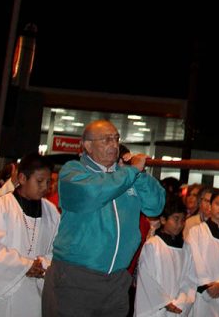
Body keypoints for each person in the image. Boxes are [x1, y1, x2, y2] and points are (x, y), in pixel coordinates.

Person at [42, 119, 165, 317]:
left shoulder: (126, 175)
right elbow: (94, 193)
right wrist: (131, 172)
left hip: (117, 281)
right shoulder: (72, 172)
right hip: (75, 278)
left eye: (116, 139)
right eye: (106, 139)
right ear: (88, 145)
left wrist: (139, 175)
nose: (114, 144)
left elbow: (155, 206)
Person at [0, 152, 60, 316]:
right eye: (39, 181)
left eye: (48, 182)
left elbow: (58, 248)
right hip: (5, 291)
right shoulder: (1, 207)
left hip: (35, 292)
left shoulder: (51, 211)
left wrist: (42, 264)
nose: (45, 187)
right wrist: (25, 265)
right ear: (22, 178)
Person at [134, 195, 196, 317]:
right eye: (176, 219)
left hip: (178, 306)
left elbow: (190, 279)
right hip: (155, 308)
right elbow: (146, 278)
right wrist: (164, 302)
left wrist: (181, 301)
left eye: (183, 220)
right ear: (163, 220)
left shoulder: (186, 247)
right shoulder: (153, 245)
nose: (180, 224)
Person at [186, 188, 219, 317]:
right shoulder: (196, 232)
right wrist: (207, 284)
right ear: (210, 206)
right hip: (202, 293)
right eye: (217, 203)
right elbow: (194, 261)